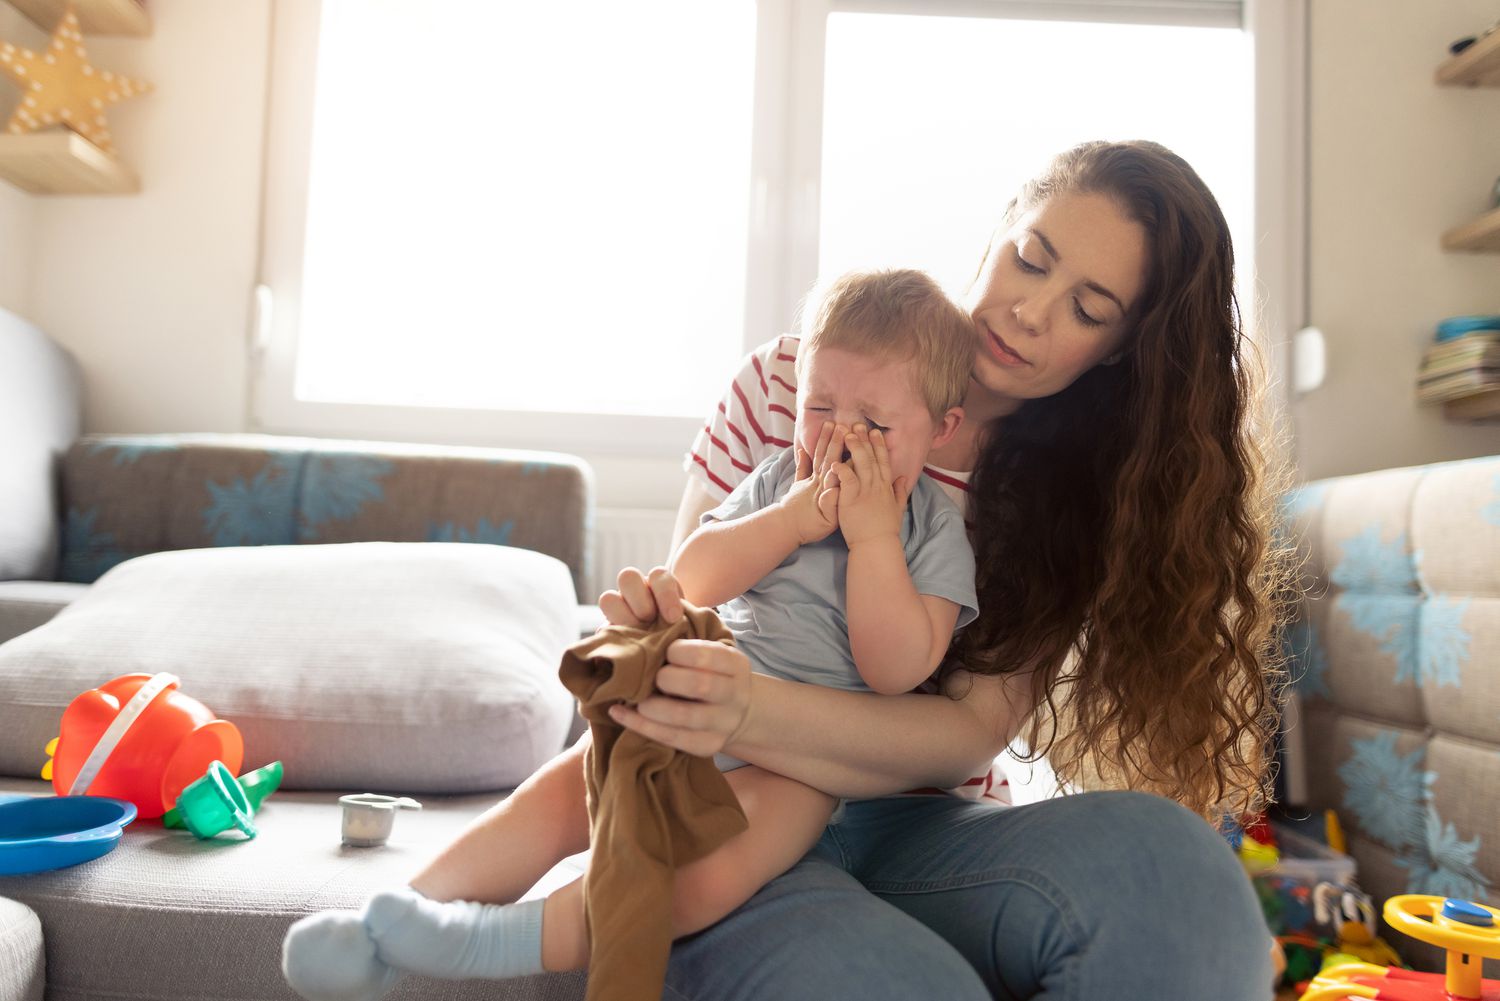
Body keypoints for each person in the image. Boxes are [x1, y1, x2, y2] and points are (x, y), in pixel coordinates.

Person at [290, 139, 1290, 1000]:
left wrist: (761, 693)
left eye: (1088, 306)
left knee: (1184, 880)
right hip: (717, 792)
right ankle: (406, 923)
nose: (1030, 311)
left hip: (918, 822)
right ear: (1000, 228)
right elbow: (703, 583)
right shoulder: (800, 382)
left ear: (1121, 350)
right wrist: (672, 628)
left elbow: (958, 733)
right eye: (1031, 258)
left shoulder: (1071, 494)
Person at [280, 269, 980, 1000]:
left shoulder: (931, 529)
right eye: (820, 406)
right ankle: (383, 925)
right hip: (691, 697)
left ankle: (495, 941)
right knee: (561, 793)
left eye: (874, 424)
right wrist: (792, 520)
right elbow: (694, 576)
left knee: (709, 872)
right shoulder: (780, 481)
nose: (838, 437)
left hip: (803, 765)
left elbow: (898, 667)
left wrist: (872, 539)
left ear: (942, 429)